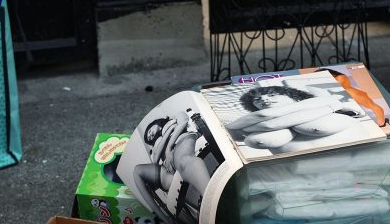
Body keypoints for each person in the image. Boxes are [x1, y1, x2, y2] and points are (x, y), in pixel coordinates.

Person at [230, 82, 359, 153]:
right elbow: (267, 122)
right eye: (257, 100)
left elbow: (269, 123)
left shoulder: (325, 104)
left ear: (293, 97)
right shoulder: (253, 119)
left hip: (347, 155)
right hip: (292, 172)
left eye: (272, 95)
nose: (263, 99)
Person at [133, 110, 211, 205]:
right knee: (138, 171)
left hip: (180, 143)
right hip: (168, 166)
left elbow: (183, 122)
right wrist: (170, 130)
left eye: (149, 132)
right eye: (149, 138)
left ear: (154, 123)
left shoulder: (173, 118)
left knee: (184, 161)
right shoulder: (154, 148)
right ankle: (166, 216)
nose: (150, 136)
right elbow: (155, 159)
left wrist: (168, 148)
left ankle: (209, 199)